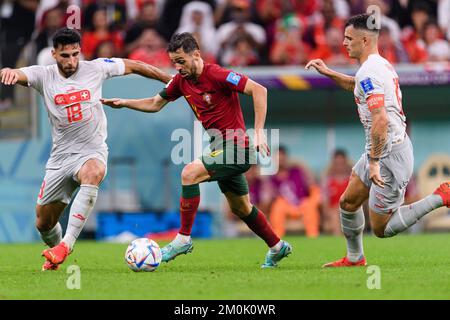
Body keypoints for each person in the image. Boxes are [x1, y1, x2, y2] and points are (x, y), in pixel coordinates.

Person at [101, 32, 292, 268]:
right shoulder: (181, 82)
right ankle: (277, 246)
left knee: (189, 173)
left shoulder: (217, 74)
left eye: (181, 61)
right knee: (241, 207)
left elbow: (259, 90)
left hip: (237, 147)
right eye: (174, 62)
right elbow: (154, 103)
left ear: (197, 55)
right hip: (219, 147)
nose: (178, 67)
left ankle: (183, 238)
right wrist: (125, 103)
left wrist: (260, 131)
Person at [0, 27, 171, 271]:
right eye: (65, 56)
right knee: (44, 223)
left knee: (93, 173)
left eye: (75, 54)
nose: (71, 61)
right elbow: (16, 73)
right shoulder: (43, 75)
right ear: (53, 54)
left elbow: (134, 65)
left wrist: (169, 79)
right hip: (60, 157)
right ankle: (57, 252)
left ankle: (66, 246)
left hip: (92, 150)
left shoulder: (97, 67)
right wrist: (7, 71)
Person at [305, 13, 450, 267]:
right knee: (348, 202)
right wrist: (327, 72)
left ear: (364, 40)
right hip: (380, 146)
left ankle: (440, 197)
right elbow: (356, 85)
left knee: (382, 228)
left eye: (349, 38)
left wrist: (373, 162)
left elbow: (380, 120)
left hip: (389, 153)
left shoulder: (369, 71)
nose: (344, 43)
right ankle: (355, 258)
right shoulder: (377, 65)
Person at [268, 146, 321, 238]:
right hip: (286, 208)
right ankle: (277, 238)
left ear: (286, 158)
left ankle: (313, 237)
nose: (280, 161)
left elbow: (312, 186)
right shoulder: (271, 179)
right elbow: (270, 197)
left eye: (282, 158)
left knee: (309, 205)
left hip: (302, 204)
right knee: (278, 205)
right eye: (278, 158)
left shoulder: (297, 171)